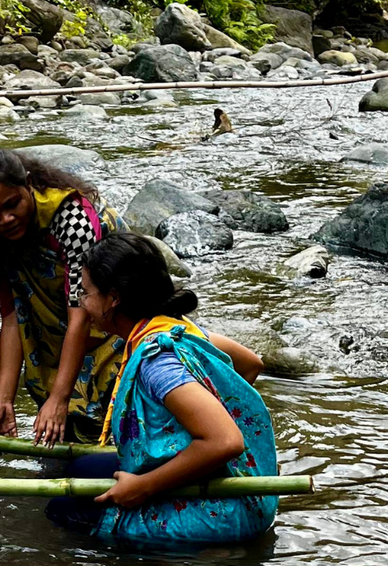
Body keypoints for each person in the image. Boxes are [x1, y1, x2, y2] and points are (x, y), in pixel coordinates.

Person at [47, 231, 276, 546]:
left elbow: (225, 441)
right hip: (247, 487)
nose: (82, 303)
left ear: (113, 299)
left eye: (86, 293)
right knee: (81, 468)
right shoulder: (175, 327)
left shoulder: (158, 363)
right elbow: (251, 364)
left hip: (227, 511)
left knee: (63, 509)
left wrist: (144, 486)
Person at [0, 147, 123, 446]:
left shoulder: (72, 218)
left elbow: (80, 315)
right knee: (63, 442)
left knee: (116, 428)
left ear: (28, 184)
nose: (6, 219)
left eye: (13, 204)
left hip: (108, 322)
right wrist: (3, 401)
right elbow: (13, 317)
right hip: (57, 338)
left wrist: (60, 399)